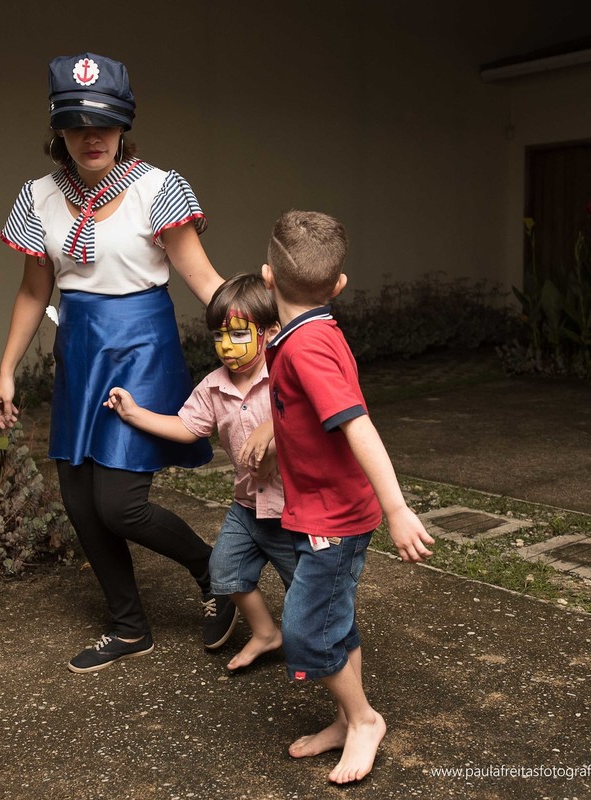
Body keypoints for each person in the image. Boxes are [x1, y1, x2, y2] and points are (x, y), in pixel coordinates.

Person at [0, 52, 234, 674]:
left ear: (124, 124)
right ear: (58, 130)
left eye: (103, 122)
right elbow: (31, 292)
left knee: (120, 503)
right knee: (78, 499)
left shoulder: (158, 188)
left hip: (142, 348)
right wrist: (7, 370)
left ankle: (214, 571)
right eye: (76, 123)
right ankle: (129, 626)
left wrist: (257, 334)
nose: (91, 136)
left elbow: (202, 277)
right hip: (79, 350)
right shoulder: (39, 197)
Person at [256, 209, 434, 784]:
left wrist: (398, 509)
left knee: (306, 631)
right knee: (334, 620)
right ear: (337, 288)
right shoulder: (306, 334)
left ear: (267, 276)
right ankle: (342, 717)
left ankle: (363, 720)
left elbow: (358, 425)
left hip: (336, 518)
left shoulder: (307, 348)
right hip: (318, 510)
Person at [103, 273, 294, 672]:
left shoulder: (285, 375)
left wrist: (272, 425)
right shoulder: (212, 386)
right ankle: (265, 632)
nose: (227, 346)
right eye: (219, 336)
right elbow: (188, 428)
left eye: (240, 335)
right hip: (246, 507)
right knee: (224, 571)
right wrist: (134, 412)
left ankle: (327, 648)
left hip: (293, 511)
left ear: (270, 332)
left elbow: (310, 415)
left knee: (307, 590)